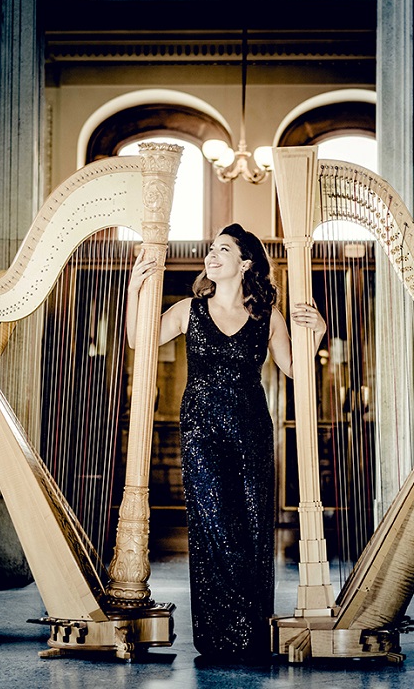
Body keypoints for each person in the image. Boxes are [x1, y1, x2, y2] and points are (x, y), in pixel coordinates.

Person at [126, 222, 325, 662]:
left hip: (252, 429)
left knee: (253, 529)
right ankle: (218, 637)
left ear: (245, 262)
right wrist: (134, 291)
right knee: (214, 528)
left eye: (222, 250)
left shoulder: (265, 316)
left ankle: (251, 636)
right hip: (201, 431)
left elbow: (294, 369)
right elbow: (138, 339)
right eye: (210, 250)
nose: (210, 256)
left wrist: (318, 331)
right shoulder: (188, 311)